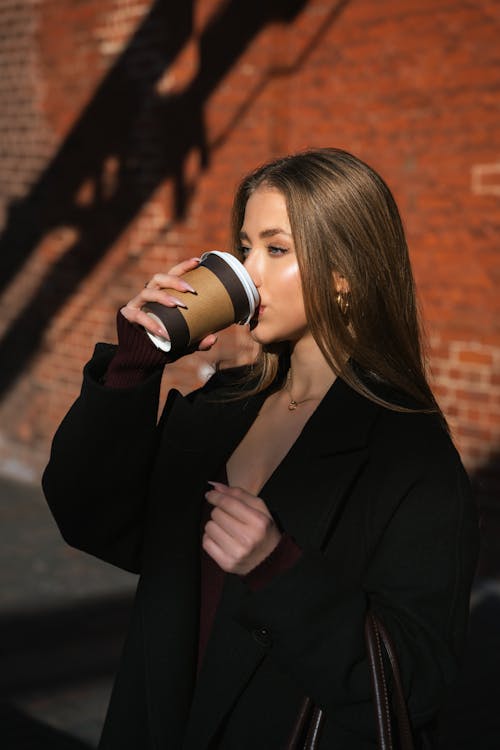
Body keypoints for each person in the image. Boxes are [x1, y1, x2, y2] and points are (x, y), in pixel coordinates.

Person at [42, 148, 479, 749]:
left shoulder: (409, 455)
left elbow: (417, 682)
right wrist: (133, 367)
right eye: (245, 246)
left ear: (346, 273)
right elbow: (90, 518)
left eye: (276, 249)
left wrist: (278, 570)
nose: (248, 273)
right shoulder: (221, 406)